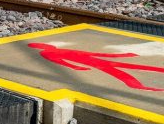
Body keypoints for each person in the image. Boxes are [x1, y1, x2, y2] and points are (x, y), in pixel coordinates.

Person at [28, 42, 164, 92]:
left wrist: (124, 55)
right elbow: (60, 62)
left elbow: (93, 53)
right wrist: (75, 68)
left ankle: (139, 86)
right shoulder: (47, 53)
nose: (46, 46)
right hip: (93, 63)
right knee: (122, 74)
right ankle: (139, 87)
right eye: (41, 45)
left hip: (96, 60)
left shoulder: (55, 50)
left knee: (133, 67)